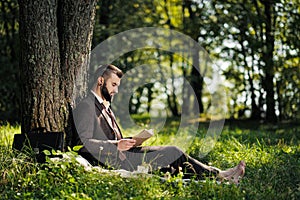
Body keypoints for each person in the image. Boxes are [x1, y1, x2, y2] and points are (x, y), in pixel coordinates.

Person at [72, 64, 245, 184]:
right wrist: (116, 145)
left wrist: (132, 140)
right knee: (173, 152)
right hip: (113, 161)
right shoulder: (87, 106)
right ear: (101, 81)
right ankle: (219, 175)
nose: (116, 90)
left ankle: (217, 174)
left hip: (125, 155)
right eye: (114, 84)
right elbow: (81, 144)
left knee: (171, 159)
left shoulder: (105, 106)